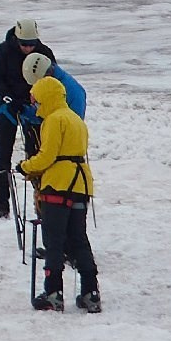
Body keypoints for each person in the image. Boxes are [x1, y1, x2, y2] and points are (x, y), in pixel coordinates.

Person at [19, 74, 99, 312]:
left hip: (58, 184)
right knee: (79, 240)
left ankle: (53, 292)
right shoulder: (76, 120)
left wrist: (25, 166)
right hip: (82, 184)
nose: (35, 106)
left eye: (37, 101)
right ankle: (91, 292)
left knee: (54, 241)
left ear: (46, 97)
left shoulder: (53, 120)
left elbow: (47, 156)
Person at [0, 19, 54, 218]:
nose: (28, 47)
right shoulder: (4, 51)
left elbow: (51, 81)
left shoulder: (45, 53)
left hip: (33, 109)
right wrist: (8, 98)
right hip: (8, 107)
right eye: (24, 44)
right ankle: (0, 205)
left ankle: (42, 204)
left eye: (32, 44)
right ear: (16, 39)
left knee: (35, 156)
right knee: (3, 156)